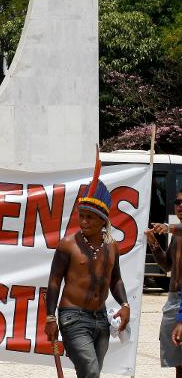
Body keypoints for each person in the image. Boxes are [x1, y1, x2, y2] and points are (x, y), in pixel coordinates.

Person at [45, 150, 130, 378]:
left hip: (101, 318)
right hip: (72, 317)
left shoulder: (112, 246)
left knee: (90, 373)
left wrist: (125, 305)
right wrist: (50, 317)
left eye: (89, 217)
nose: (83, 221)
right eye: (81, 215)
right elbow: (54, 282)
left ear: (103, 220)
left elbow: (116, 279)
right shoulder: (67, 245)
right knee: (91, 370)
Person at [150, 189, 182, 377]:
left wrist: (168, 228)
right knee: (177, 360)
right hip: (173, 299)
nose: (180, 206)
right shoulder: (177, 235)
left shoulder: (177, 230)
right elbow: (167, 265)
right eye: (177, 202)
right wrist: (153, 243)